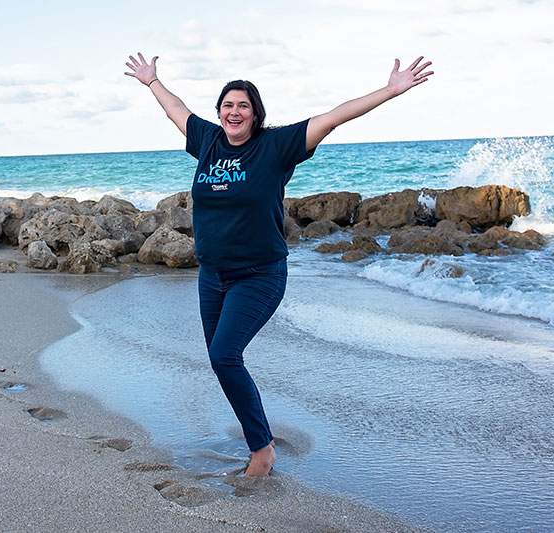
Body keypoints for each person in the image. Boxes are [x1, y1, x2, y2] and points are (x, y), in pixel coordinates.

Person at [125, 52, 433, 476]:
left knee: (225, 354)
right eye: (228, 105)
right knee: (222, 360)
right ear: (220, 112)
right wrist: (152, 82)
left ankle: (262, 450)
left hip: (259, 275)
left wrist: (390, 90)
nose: (234, 112)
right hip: (212, 275)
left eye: (243, 106)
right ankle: (259, 439)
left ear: (255, 114)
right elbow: (176, 109)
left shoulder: (275, 146)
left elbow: (332, 117)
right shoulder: (207, 141)